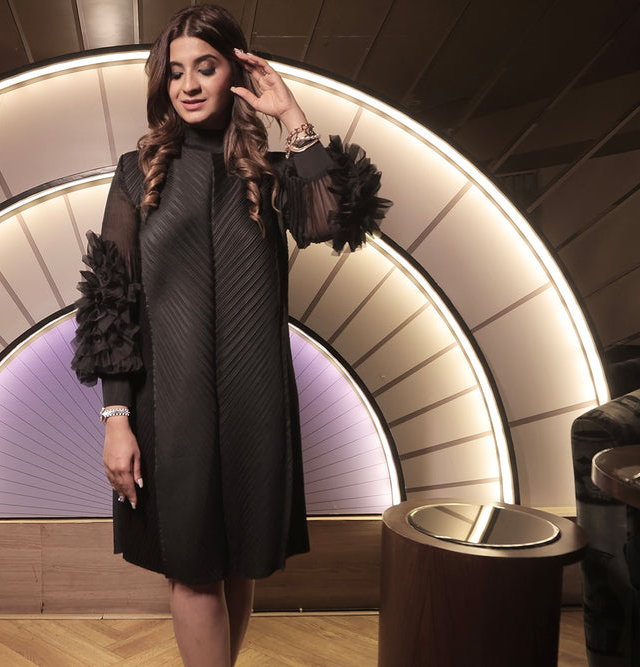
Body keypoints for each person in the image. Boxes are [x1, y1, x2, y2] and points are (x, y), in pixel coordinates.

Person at [71, 5, 390, 665]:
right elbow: (111, 301)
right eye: (176, 72)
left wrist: (291, 114)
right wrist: (116, 417)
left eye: (206, 67)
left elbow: (332, 223)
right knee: (190, 568)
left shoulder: (270, 172)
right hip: (170, 406)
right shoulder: (137, 173)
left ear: (235, 74)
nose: (188, 85)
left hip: (255, 402)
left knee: (241, 561)